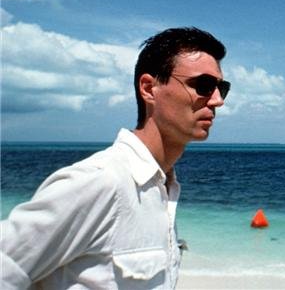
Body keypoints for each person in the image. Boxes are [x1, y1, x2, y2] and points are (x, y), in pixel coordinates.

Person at [1, 27, 229, 289]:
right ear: (149, 88)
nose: (217, 101)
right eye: (203, 85)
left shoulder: (162, 187)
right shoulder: (100, 181)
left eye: (221, 88)